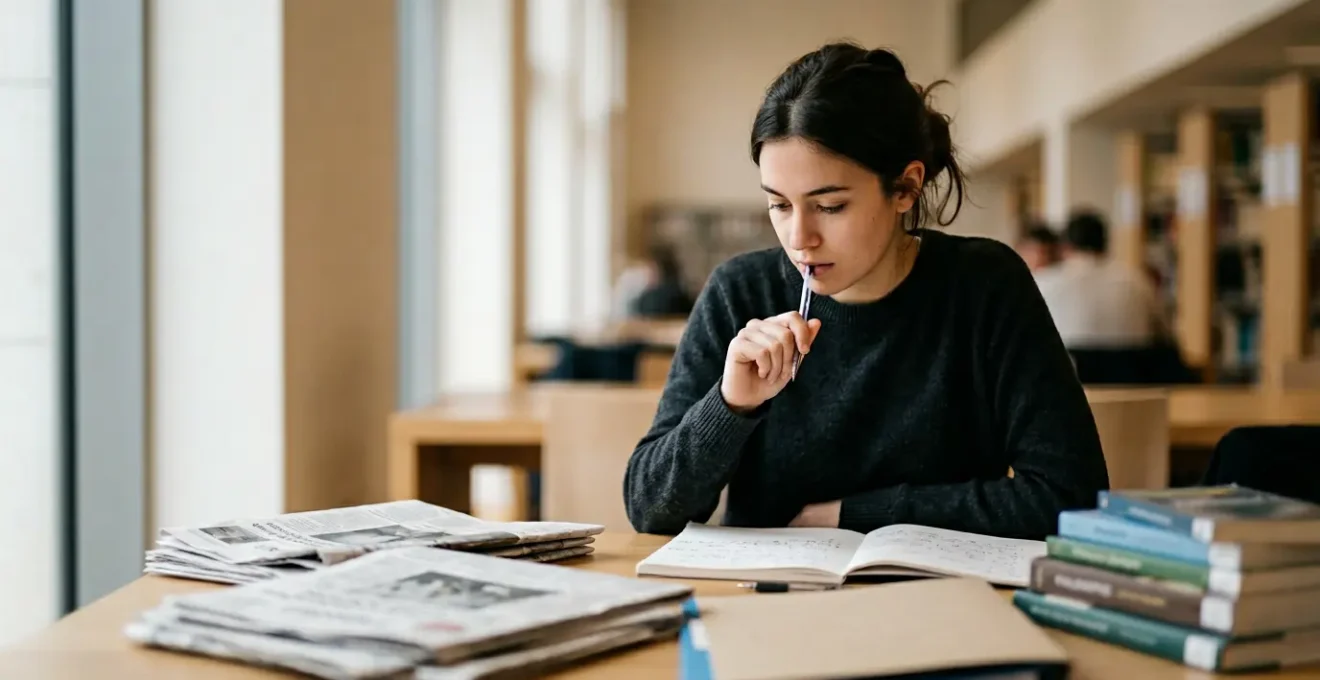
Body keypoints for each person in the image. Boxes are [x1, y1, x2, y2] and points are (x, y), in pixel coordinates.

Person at [621, 42, 1108, 540]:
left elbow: (1071, 496)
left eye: (829, 206)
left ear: (905, 188)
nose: (799, 238)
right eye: (779, 205)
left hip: (942, 604)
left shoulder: (985, 286)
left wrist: (860, 515)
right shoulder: (740, 291)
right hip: (771, 605)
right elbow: (650, 510)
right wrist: (730, 406)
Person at [1034, 210, 1168, 349]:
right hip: (1129, 369)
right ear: (1106, 244)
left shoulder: (1042, 285)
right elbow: (1163, 336)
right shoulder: (1138, 282)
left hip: (1067, 368)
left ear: (1065, 246)